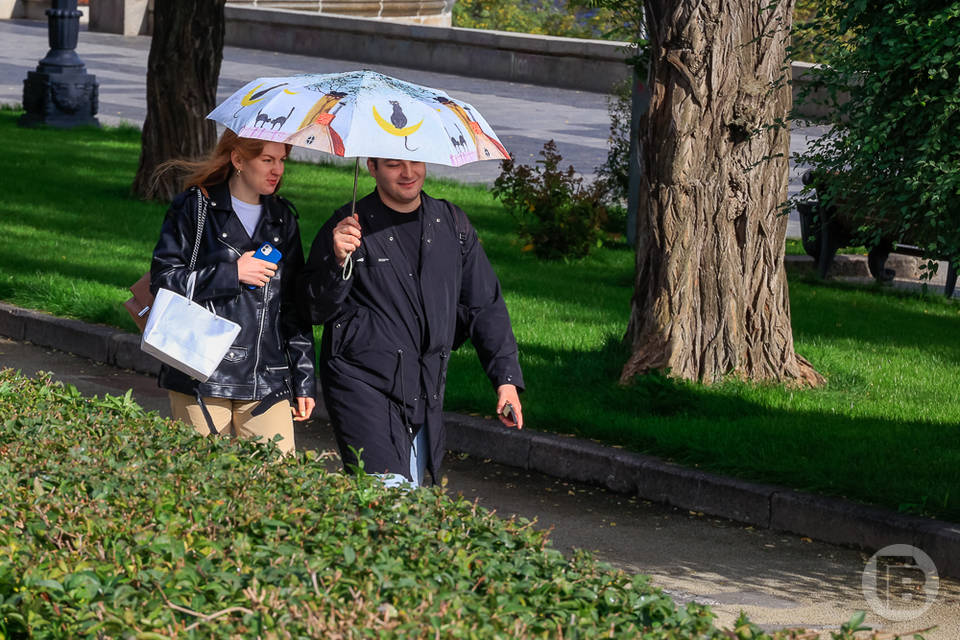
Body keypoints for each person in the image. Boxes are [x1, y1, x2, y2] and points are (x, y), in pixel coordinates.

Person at [302, 157, 524, 486]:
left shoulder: (451, 223)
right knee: (389, 500)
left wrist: (505, 379)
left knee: (411, 509)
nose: (408, 173)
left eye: (415, 162)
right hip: (361, 386)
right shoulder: (348, 227)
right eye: (393, 165)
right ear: (371, 167)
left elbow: (484, 305)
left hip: (424, 388)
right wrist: (337, 262)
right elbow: (314, 309)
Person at [150, 131, 316, 455]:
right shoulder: (195, 207)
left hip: (266, 377)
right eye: (267, 160)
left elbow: (293, 306)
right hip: (199, 370)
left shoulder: (283, 220)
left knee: (276, 485)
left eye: (282, 160)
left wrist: (304, 377)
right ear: (238, 159)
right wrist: (232, 273)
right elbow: (163, 280)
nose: (277, 170)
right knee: (203, 484)